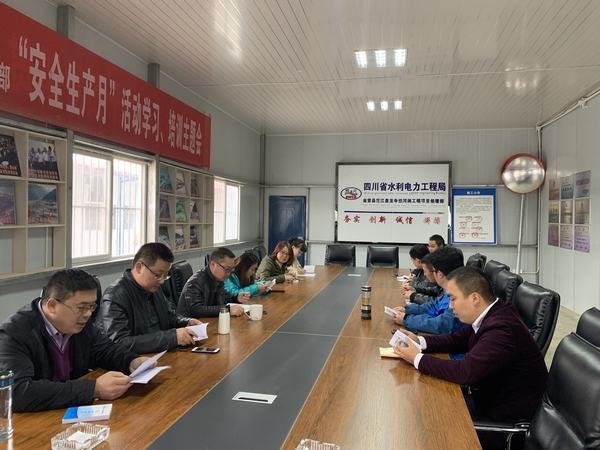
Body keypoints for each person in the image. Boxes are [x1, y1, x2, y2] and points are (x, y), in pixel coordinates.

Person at [393, 267, 547, 448]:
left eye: (453, 298)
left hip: (501, 420)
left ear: (475, 298)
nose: (450, 306)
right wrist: (419, 341)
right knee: (422, 409)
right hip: (487, 400)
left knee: (423, 426)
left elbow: (466, 372)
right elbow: (457, 340)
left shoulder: (502, 328)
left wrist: (417, 358)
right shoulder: (493, 313)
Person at [0, 269, 151, 412]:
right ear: (52, 306)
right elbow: (18, 391)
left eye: (92, 306)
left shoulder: (78, 323)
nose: (88, 314)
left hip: (70, 410)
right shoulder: (13, 334)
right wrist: (93, 389)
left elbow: (104, 350)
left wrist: (131, 361)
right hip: (31, 421)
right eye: (81, 307)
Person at [96, 243, 202, 354]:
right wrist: (172, 337)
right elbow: (120, 342)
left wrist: (186, 322)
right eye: (157, 275)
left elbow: (169, 316)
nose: (162, 281)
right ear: (139, 267)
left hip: (160, 353)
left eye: (166, 275)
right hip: (134, 360)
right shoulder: (114, 295)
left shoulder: (154, 288)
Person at [393, 246, 466, 335]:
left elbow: (442, 325)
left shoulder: (459, 294)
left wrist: (407, 320)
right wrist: (407, 310)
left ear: (439, 274)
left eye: (433, 270)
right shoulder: (449, 289)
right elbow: (433, 306)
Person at [178, 247, 248, 318]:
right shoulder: (195, 282)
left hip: (209, 320)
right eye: (227, 269)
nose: (229, 273)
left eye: (231, 270)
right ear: (213, 264)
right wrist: (227, 309)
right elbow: (196, 310)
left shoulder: (218, 278)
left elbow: (223, 299)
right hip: (191, 323)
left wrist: (236, 298)